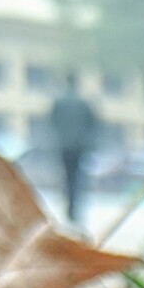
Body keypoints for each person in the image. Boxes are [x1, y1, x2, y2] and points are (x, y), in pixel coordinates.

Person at [49, 73, 100, 226]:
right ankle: (74, 209)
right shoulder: (83, 104)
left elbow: (53, 122)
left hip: (64, 145)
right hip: (79, 146)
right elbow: (93, 124)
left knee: (67, 177)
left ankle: (69, 209)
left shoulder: (59, 103)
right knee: (77, 178)